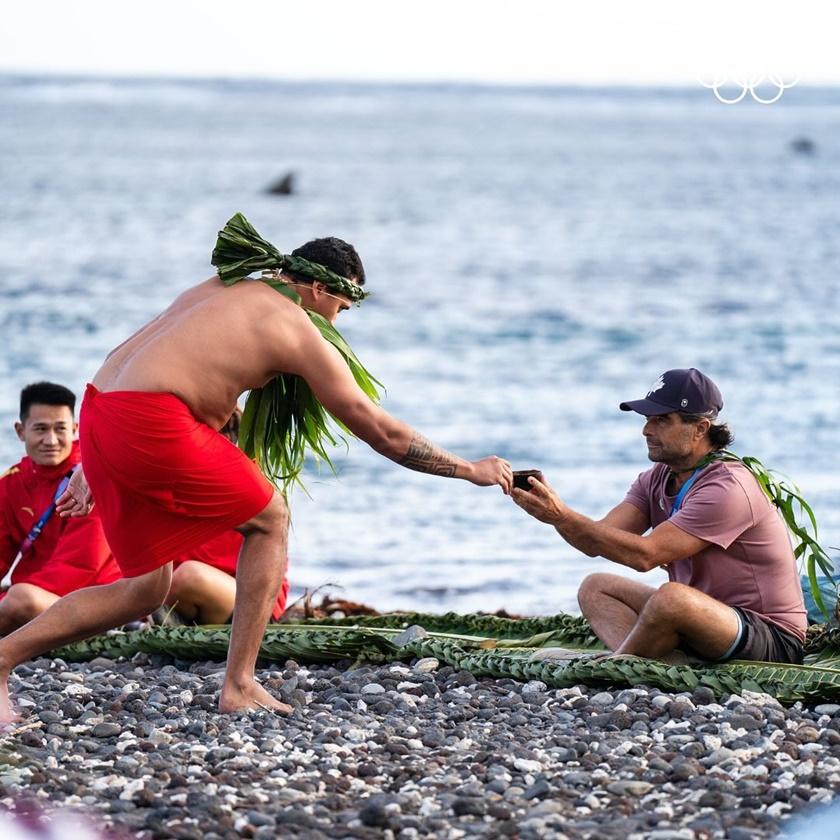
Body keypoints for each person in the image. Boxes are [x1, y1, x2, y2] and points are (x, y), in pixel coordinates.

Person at [0, 235, 512, 720]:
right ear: (320, 289)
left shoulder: (220, 287)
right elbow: (381, 431)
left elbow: (134, 360)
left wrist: (94, 453)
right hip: (150, 422)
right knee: (270, 518)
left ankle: (2, 659)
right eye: (343, 308)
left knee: (143, 591)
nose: (338, 320)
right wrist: (469, 469)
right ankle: (239, 682)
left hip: (101, 409)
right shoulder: (292, 325)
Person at [512, 368, 807, 664]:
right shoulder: (656, 479)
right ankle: (648, 661)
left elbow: (646, 556)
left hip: (769, 636)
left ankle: (621, 663)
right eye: (647, 419)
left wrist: (563, 515)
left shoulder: (729, 486)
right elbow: (595, 541)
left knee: (672, 598)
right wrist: (553, 516)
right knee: (596, 587)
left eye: (662, 420)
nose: (646, 430)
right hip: (702, 622)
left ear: (701, 428)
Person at [0, 383, 121, 635]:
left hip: (96, 600)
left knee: (20, 599)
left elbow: (79, 567)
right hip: (37, 594)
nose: (51, 440)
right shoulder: (11, 482)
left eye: (61, 429)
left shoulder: (91, 477)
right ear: (21, 431)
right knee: (18, 597)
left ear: (75, 429)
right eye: (41, 429)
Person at [164, 410, 290, 625]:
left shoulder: (251, 480)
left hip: (247, 604)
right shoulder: (173, 476)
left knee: (189, 577)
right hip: (184, 598)